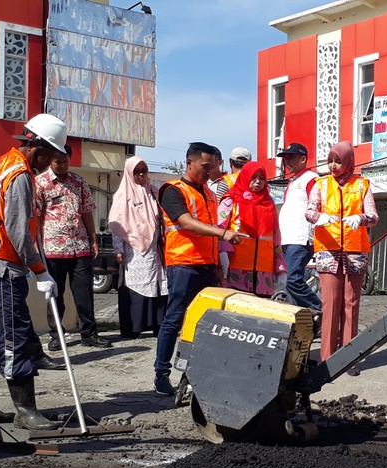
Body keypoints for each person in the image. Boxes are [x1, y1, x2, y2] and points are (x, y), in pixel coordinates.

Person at [0, 114, 70, 432]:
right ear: (38, 148)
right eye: (51, 155)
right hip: (2, 271)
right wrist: (40, 272)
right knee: (15, 338)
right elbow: (18, 231)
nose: (49, 162)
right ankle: (26, 411)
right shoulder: (21, 174)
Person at [154, 142, 242, 396]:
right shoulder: (172, 190)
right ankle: (161, 374)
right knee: (174, 319)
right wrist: (223, 233)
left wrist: (216, 265)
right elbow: (187, 223)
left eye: (213, 167)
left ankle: (194, 374)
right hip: (183, 265)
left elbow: (209, 233)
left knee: (206, 323)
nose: (209, 171)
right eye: (206, 166)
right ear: (189, 163)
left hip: (206, 266)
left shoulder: (209, 193)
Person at [305, 141, 378, 374]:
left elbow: (374, 215)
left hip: (355, 251)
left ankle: (349, 358)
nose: (333, 165)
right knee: (330, 303)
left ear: (348, 162)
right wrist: (319, 217)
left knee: (351, 304)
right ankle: (327, 357)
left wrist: (362, 218)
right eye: (330, 160)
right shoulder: (320, 184)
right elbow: (308, 211)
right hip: (328, 250)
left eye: (338, 161)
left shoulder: (362, 185)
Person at [35, 144, 111, 349]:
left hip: (80, 246)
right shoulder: (40, 183)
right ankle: (56, 335)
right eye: (57, 161)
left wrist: (93, 239)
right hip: (53, 248)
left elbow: (87, 211)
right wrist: (35, 245)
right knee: (55, 295)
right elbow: (36, 216)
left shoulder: (78, 181)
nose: (61, 165)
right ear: (50, 160)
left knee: (84, 294)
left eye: (65, 161)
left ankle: (89, 334)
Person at [108, 156, 167, 338]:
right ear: (129, 173)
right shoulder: (123, 195)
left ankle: (157, 324)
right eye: (136, 171)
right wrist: (118, 249)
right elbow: (116, 223)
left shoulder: (153, 192)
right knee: (136, 285)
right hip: (133, 249)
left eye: (144, 170)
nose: (141, 174)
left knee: (158, 285)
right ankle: (134, 327)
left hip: (155, 248)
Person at [221, 161, 283, 296]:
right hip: (236, 268)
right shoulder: (231, 200)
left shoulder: (268, 204)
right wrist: (222, 255)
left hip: (264, 272)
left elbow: (276, 238)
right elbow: (219, 229)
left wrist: (281, 267)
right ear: (245, 177)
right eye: (253, 177)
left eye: (261, 178)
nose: (257, 182)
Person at [277, 142, 321, 311]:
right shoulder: (292, 181)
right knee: (289, 284)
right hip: (287, 238)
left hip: (300, 239)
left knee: (293, 280)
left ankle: (319, 311)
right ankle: (305, 321)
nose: (287, 161)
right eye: (285, 158)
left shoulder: (311, 179)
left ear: (303, 159)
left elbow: (316, 207)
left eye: (291, 157)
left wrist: (312, 237)